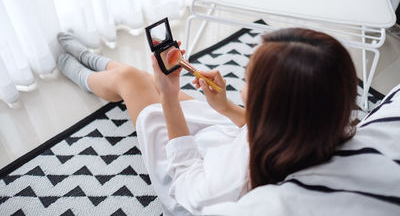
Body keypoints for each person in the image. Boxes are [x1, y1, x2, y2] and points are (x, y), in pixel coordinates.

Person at [57, 28, 357, 215]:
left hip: (189, 173)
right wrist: (225, 106)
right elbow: (257, 130)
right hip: (223, 141)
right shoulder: (318, 125)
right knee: (148, 78)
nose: (242, 82)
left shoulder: (232, 180)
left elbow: (187, 180)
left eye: (248, 79)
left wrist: (170, 98)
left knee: (130, 79)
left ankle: (85, 73)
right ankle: (95, 63)